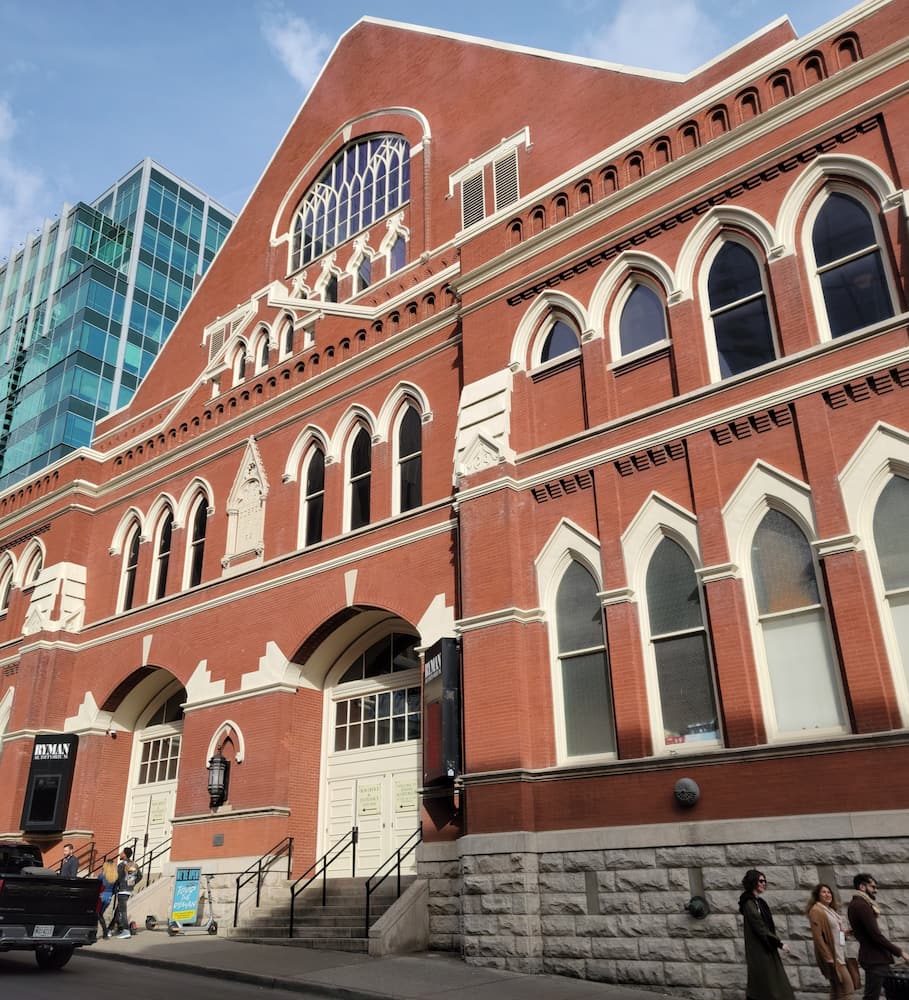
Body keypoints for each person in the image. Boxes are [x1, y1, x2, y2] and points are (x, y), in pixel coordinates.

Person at [847, 873, 909, 1000]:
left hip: (877, 958)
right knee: (872, 997)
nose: (876, 890)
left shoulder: (858, 904)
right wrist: (901, 952)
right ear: (862, 887)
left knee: (896, 992)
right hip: (874, 960)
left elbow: (865, 930)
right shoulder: (861, 905)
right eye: (873, 887)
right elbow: (875, 935)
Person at [738, 869, 796, 1000]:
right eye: (761, 881)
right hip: (760, 950)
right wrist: (779, 943)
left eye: (765, 881)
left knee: (770, 986)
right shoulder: (749, 903)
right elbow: (759, 926)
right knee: (769, 987)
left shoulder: (759, 902)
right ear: (753, 882)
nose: (764, 883)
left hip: (766, 947)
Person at [807, 883, 855, 998]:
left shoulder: (831, 911)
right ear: (817, 895)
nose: (827, 894)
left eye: (829, 892)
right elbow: (818, 937)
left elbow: (837, 934)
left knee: (837, 990)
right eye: (823, 892)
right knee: (848, 988)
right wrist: (828, 957)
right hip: (833, 957)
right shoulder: (816, 910)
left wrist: (844, 934)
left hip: (840, 954)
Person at [114, 847, 139, 940]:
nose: (120, 854)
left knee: (123, 911)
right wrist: (132, 883)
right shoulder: (133, 864)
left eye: (121, 852)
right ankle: (110, 928)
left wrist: (117, 886)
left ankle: (126, 930)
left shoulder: (121, 865)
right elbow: (139, 876)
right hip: (129, 890)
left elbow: (117, 878)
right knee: (119, 910)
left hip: (122, 890)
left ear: (124, 855)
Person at [97, 860, 118, 939]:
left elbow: (97, 886)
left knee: (98, 914)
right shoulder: (114, 877)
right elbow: (115, 890)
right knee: (100, 914)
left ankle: (103, 932)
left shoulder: (102, 876)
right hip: (109, 897)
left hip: (101, 895)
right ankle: (105, 932)